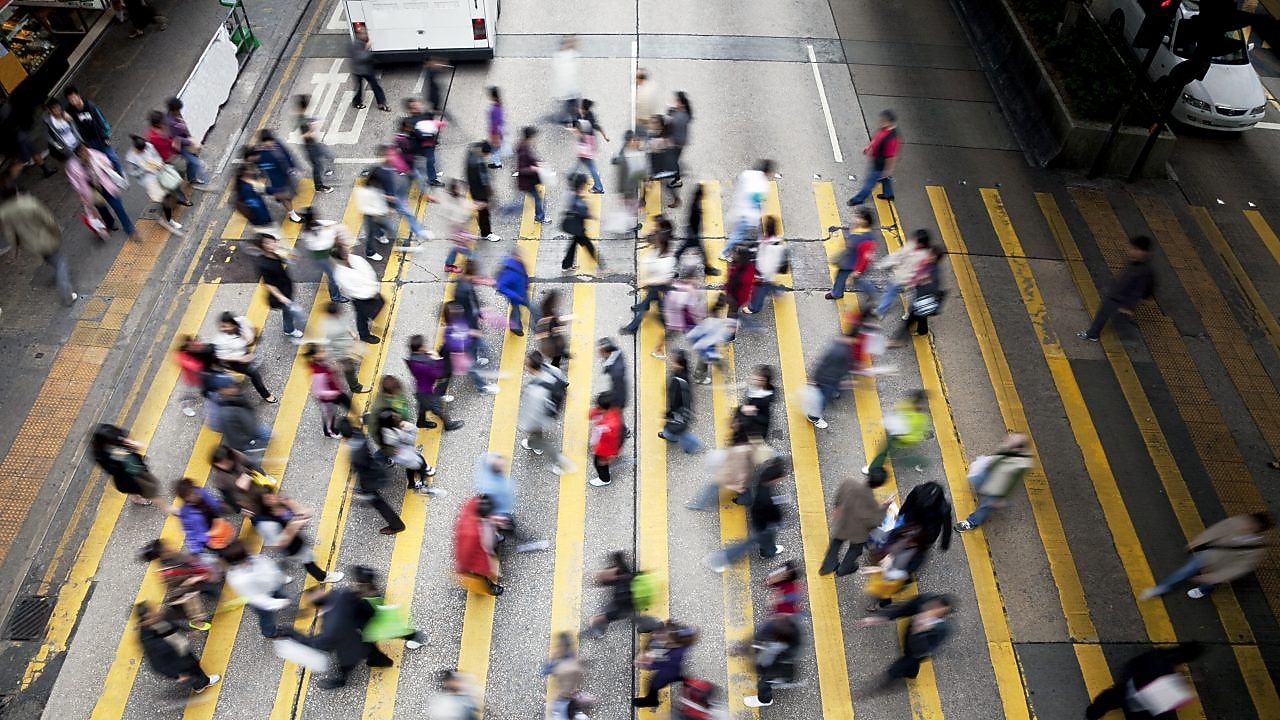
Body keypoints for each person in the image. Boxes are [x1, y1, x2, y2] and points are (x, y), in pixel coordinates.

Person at [1141, 512, 1272, 600]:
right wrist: (1199, 541)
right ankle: (1162, 587)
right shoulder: (1236, 522)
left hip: (1222, 566)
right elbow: (1215, 531)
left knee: (1210, 582)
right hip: (1209, 554)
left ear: (1257, 530)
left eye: (1250, 526)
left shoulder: (1256, 549)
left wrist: (1214, 577)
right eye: (1248, 522)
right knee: (1185, 571)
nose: (1244, 525)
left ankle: (1204, 590)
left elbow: (1238, 568)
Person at [706, 456, 788, 572]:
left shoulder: (763, 478)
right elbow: (771, 510)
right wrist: (778, 519)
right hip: (763, 524)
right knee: (749, 543)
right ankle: (719, 559)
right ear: (774, 478)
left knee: (763, 540)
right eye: (779, 479)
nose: (780, 481)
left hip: (759, 519)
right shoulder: (766, 497)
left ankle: (768, 551)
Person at [1085, 643, 1203, 719]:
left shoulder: (1158, 657)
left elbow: (1134, 664)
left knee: (1107, 700)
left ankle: (1092, 714)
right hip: (1143, 706)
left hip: (1129, 688)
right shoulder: (1168, 674)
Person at [857, 593, 953, 688]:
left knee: (898, 668)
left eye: (936, 610)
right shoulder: (923, 601)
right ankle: (910, 673)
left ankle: (891, 678)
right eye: (932, 606)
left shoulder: (941, 629)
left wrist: (919, 631)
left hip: (917, 652)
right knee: (908, 659)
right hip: (909, 640)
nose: (928, 610)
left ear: (942, 615)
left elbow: (923, 650)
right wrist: (877, 619)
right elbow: (902, 610)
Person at [0, 192, 77, 305]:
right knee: (61, 263)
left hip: (31, 244)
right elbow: (48, 220)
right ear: (16, 192)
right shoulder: (30, 202)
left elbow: (10, 234)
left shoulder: (4, 212)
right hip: (46, 237)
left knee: (51, 258)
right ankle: (67, 294)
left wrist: (15, 248)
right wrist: (57, 231)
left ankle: (61, 277)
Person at [1078, 234, 1156, 341]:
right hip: (1116, 295)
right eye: (1131, 248)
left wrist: (1128, 307)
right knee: (1106, 315)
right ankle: (1094, 333)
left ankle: (1094, 334)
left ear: (1145, 253)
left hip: (1119, 298)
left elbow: (1137, 291)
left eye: (1135, 249)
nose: (1131, 252)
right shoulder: (1134, 263)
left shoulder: (1143, 271)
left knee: (1108, 316)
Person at [256, 491, 345, 583]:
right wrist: (292, 527)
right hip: (292, 547)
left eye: (271, 494)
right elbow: (278, 544)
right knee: (308, 560)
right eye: (268, 498)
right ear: (263, 504)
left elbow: (303, 513)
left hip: (297, 538)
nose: (273, 497)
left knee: (307, 555)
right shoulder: (269, 523)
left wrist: (290, 504)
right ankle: (322, 577)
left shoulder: (281, 503)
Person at [954, 434, 1033, 532]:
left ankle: (971, 522)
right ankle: (983, 492)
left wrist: (1002, 498)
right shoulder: (1008, 447)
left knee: (986, 506)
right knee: (976, 480)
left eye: (1011, 441)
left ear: (1017, 449)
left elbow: (1011, 483)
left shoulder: (1019, 465)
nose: (1007, 440)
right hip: (990, 474)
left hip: (997, 487)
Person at [135, 602, 219, 694]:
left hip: (178, 648)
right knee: (192, 669)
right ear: (144, 621)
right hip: (175, 660)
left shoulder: (158, 619)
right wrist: (176, 675)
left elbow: (173, 624)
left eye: (152, 612)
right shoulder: (148, 641)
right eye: (150, 616)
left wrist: (189, 631)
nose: (155, 615)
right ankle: (202, 684)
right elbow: (157, 664)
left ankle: (199, 682)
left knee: (194, 664)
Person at [342, 421, 406, 535]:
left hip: (370, 479)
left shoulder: (356, 455)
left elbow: (362, 468)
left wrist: (365, 491)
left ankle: (397, 525)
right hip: (373, 468)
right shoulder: (358, 433)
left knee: (378, 503)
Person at [820, 472, 890, 576]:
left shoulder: (849, 483)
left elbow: (839, 497)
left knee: (836, 543)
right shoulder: (872, 504)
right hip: (858, 532)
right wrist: (885, 506)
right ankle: (844, 569)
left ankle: (827, 566)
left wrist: (837, 507)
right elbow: (875, 522)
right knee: (855, 550)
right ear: (878, 485)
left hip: (843, 522)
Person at [140, 539, 217, 632]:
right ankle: (196, 623)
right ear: (161, 555)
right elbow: (181, 587)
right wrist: (196, 578)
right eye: (164, 550)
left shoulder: (172, 557)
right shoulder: (167, 571)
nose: (168, 549)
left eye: (165, 547)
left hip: (191, 583)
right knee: (193, 609)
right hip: (183, 594)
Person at [66, 143, 136, 241]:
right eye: (83, 152)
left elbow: (107, 161)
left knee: (117, 206)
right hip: (91, 190)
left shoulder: (94, 154)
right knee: (101, 207)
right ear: (78, 154)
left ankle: (129, 228)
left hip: (105, 184)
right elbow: (74, 182)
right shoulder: (72, 166)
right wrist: (81, 194)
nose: (86, 152)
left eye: (85, 149)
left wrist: (105, 166)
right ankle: (110, 223)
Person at [518, 351, 572, 475]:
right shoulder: (551, 369)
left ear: (532, 367)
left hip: (541, 417)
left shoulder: (535, 391)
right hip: (552, 407)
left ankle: (553, 459)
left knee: (538, 436)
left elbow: (532, 414)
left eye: (527, 364)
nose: (525, 366)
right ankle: (535, 444)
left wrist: (523, 425)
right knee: (537, 434)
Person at [223, 540, 290, 638]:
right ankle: (269, 632)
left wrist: (279, 578)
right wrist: (279, 603)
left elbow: (268, 565)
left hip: (272, 587)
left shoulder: (251, 559)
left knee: (282, 596)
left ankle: (286, 605)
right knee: (266, 616)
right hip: (261, 598)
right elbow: (258, 599)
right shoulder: (239, 579)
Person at [125, 134, 190, 235]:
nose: (143, 152)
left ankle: (168, 212)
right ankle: (169, 220)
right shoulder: (130, 157)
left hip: (159, 174)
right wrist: (143, 170)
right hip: (149, 181)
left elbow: (156, 156)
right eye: (141, 151)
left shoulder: (148, 146)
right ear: (136, 149)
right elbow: (133, 173)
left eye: (144, 149)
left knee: (168, 194)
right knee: (165, 199)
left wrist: (158, 163)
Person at [91, 423, 165, 509]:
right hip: (127, 476)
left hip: (135, 466)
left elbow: (126, 441)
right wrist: (117, 457)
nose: (121, 439)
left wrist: (130, 444)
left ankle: (135, 497)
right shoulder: (101, 455)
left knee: (138, 487)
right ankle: (160, 505)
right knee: (148, 490)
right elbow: (111, 470)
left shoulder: (116, 436)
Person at [211, 311, 277, 402]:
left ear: (233, 324)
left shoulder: (241, 321)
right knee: (255, 375)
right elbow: (222, 356)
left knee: (254, 360)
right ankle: (266, 395)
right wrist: (240, 359)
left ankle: (251, 362)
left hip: (243, 351)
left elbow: (250, 327)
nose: (224, 329)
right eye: (222, 326)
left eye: (226, 326)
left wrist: (250, 335)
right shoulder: (220, 340)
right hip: (236, 361)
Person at [863, 390, 931, 475]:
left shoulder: (921, 419)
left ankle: (872, 469)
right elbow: (899, 407)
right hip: (895, 432)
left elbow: (916, 437)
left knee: (891, 456)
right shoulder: (909, 404)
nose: (919, 405)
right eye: (917, 402)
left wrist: (902, 437)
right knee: (886, 452)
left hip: (901, 438)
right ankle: (922, 462)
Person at [742, 614, 803, 708]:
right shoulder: (779, 628)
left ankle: (765, 700)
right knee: (765, 672)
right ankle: (781, 679)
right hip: (772, 659)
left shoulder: (784, 648)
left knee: (764, 683)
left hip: (776, 666)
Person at [620, 231, 676, 335]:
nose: (654, 244)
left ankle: (632, 327)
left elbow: (667, 279)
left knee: (656, 307)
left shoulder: (668, 259)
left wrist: (649, 281)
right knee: (656, 306)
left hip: (660, 287)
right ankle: (666, 324)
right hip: (653, 287)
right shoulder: (655, 252)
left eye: (656, 242)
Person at [632, 621, 698, 708]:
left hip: (667, 672)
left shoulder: (673, 655)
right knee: (678, 675)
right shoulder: (674, 636)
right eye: (661, 632)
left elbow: (659, 664)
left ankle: (651, 701)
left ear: (674, 644)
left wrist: (645, 663)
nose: (656, 635)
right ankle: (686, 680)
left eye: (663, 637)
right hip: (673, 668)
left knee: (654, 685)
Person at [890, 245, 946, 346]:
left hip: (921, 300)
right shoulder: (929, 265)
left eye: (931, 254)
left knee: (909, 320)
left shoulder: (933, 272)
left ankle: (899, 340)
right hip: (922, 300)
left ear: (934, 258)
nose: (929, 255)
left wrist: (923, 281)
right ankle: (922, 331)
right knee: (922, 317)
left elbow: (932, 288)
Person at [406, 335, 464, 430]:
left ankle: (421, 422)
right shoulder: (423, 363)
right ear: (420, 348)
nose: (426, 346)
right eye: (423, 345)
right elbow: (438, 374)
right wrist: (438, 359)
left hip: (419, 388)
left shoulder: (413, 358)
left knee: (422, 406)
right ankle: (448, 425)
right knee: (438, 407)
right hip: (427, 391)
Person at [256, 233, 306, 340]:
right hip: (281, 292)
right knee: (287, 312)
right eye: (268, 243)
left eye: (273, 241)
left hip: (285, 286)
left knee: (288, 310)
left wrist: (291, 259)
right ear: (263, 246)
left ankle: (289, 327)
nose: (272, 244)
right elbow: (269, 284)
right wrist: (281, 297)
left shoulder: (274, 254)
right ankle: (289, 330)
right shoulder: (264, 264)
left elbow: (283, 261)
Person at [331, 243, 385, 344]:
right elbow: (353, 290)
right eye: (344, 252)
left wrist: (374, 288)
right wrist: (370, 293)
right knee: (361, 316)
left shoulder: (355, 259)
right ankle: (364, 335)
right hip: (360, 298)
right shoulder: (340, 274)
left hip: (371, 291)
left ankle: (369, 322)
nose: (348, 251)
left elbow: (369, 271)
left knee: (377, 306)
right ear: (341, 257)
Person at [873, 228, 930, 318]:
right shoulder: (911, 246)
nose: (916, 243)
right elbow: (898, 256)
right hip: (898, 277)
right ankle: (880, 311)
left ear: (923, 243)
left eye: (918, 241)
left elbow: (921, 271)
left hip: (910, 282)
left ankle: (910, 314)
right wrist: (884, 263)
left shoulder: (925, 256)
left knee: (911, 300)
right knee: (889, 293)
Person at [443, 303, 499, 395]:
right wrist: (467, 334)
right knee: (473, 370)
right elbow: (453, 345)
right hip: (462, 355)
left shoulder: (459, 319)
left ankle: (477, 361)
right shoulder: (448, 331)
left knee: (482, 349)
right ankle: (482, 388)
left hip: (470, 344)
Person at [847, 109, 900, 206]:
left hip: (880, 164)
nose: (880, 122)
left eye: (883, 120)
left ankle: (858, 199)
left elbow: (890, 157)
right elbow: (876, 138)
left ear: (889, 122)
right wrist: (869, 146)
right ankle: (888, 194)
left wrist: (888, 170)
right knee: (885, 178)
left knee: (869, 182)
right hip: (877, 159)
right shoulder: (883, 129)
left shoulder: (892, 138)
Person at [454, 495, 504, 595]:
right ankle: (489, 586)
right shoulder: (471, 533)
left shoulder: (473, 505)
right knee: (482, 574)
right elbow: (465, 553)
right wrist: (463, 568)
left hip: (485, 539)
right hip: (479, 556)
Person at [63, 86, 120, 173]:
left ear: (78, 96)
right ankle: (110, 178)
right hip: (89, 142)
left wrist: (106, 136)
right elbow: (63, 114)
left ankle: (121, 175)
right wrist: (65, 114)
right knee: (100, 162)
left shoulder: (90, 106)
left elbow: (102, 120)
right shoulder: (70, 110)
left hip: (100, 137)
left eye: (74, 98)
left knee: (112, 158)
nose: (73, 101)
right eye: (70, 100)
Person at [827, 206, 879, 301]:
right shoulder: (857, 228)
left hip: (854, 265)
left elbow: (865, 257)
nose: (855, 218)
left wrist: (858, 271)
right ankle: (837, 293)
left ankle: (871, 291)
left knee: (857, 281)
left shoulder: (866, 239)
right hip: (848, 261)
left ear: (865, 221)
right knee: (841, 278)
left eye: (859, 217)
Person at [173, 477, 231, 561]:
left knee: (227, 541)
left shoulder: (200, 491)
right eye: (189, 495)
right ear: (185, 499)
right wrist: (195, 550)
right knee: (222, 551)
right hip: (209, 536)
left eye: (193, 490)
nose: (194, 494)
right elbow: (190, 532)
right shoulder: (186, 514)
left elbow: (212, 502)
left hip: (216, 523)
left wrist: (220, 506)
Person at [582, 551, 638, 638]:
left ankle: (599, 632)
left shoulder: (621, 594)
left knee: (608, 614)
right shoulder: (623, 571)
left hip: (627, 604)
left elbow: (613, 614)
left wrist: (597, 619)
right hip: (630, 597)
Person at [250, 130, 302, 223]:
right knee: (285, 197)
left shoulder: (277, 144)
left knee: (290, 193)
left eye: (271, 140)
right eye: (267, 142)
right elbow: (254, 163)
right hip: (276, 179)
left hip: (286, 174)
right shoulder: (259, 154)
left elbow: (287, 153)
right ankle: (292, 214)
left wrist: (292, 167)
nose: (271, 143)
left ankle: (282, 200)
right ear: (262, 142)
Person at [805, 333, 855, 429]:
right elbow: (824, 365)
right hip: (828, 380)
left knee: (824, 395)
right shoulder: (839, 351)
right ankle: (813, 417)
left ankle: (833, 392)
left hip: (831, 379)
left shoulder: (839, 347)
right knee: (822, 399)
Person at [658, 350, 703, 454]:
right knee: (675, 430)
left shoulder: (680, 380)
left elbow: (676, 402)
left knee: (680, 432)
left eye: (674, 361)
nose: (671, 362)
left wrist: (668, 413)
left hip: (678, 413)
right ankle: (670, 436)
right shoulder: (681, 374)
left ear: (680, 365)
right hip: (679, 411)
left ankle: (694, 446)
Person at [725, 159, 773, 256]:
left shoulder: (747, 174)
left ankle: (756, 248)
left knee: (744, 233)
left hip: (740, 208)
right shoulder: (763, 182)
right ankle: (725, 253)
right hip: (747, 214)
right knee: (739, 234)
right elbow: (757, 200)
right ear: (767, 171)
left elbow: (737, 180)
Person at [213, 382, 272, 459]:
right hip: (245, 439)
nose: (233, 387)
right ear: (221, 391)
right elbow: (233, 436)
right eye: (228, 386)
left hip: (252, 428)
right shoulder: (225, 412)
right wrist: (247, 439)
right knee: (252, 454)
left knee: (267, 433)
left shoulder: (235, 397)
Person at [305, 344, 351, 437]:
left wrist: (335, 369)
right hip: (328, 400)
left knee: (348, 402)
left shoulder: (323, 361)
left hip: (336, 391)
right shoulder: (316, 373)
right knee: (329, 416)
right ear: (315, 356)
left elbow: (330, 369)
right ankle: (330, 432)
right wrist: (334, 393)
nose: (324, 353)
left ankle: (358, 416)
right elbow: (318, 393)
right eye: (321, 352)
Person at [320, 301, 366, 393]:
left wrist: (351, 333)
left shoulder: (337, 318)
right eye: (337, 312)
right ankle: (355, 387)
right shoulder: (330, 329)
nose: (340, 313)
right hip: (342, 352)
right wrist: (336, 358)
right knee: (349, 370)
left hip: (348, 346)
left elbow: (344, 324)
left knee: (353, 362)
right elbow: (329, 345)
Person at [744, 216, 787, 315]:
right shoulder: (771, 241)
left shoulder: (773, 246)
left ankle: (754, 307)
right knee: (767, 285)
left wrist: (760, 277)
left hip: (763, 274)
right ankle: (777, 290)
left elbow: (768, 266)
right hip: (764, 273)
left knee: (760, 290)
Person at [294, 94, 335, 194]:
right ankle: (319, 186)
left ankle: (326, 170)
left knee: (327, 155)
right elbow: (304, 136)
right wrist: (313, 128)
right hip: (310, 147)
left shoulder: (302, 117)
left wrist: (311, 122)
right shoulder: (301, 120)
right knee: (317, 166)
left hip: (313, 144)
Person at [658, 269, 702, 360]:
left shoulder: (676, 285)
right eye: (695, 279)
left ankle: (659, 349)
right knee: (671, 335)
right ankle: (658, 349)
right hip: (678, 319)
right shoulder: (688, 289)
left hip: (676, 318)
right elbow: (690, 305)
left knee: (672, 334)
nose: (697, 281)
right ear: (690, 278)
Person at [165, 98, 209, 186]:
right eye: (178, 110)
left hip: (186, 140)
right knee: (195, 162)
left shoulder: (176, 115)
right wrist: (190, 141)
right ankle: (192, 179)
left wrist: (189, 136)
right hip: (181, 145)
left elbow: (183, 125)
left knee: (193, 159)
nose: (179, 112)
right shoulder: (170, 123)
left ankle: (191, 176)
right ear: (173, 110)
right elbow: (176, 139)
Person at [560, 174, 599, 271]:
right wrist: (592, 216)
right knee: (589, 247)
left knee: (573, 245)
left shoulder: (573, 193)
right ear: (582, 185)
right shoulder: (577, 199)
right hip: (577, 228)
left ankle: (566, 265)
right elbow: (583, 213)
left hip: (576, 227)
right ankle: (602, 267)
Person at [613, 130, 648, 233]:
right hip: (629, 187)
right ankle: (630, 226)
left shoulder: (624, 151)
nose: (638, 142)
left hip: (627, 186)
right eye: (635, 140)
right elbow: (638, 172)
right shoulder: (629, 155)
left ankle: (628, 224)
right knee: (630, 207)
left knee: (629, 206)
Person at [496, 245, 536, 336]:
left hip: (522, 293)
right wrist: (514, 295)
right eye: (519, 255)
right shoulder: (508, 272)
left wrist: (526, 284)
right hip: (515, 297)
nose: (521, 257)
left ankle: (539, 323)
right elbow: (501, 287)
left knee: (533, 308)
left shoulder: (520, 263)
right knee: (516, 312)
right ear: (514, 256)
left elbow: (524, 274)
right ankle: (515, 328)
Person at [349, 25, 390, 111]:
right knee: (359, 88)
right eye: (362, 33)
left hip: (367, 69)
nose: (365, 35)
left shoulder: (363, 42)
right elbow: (359, 58)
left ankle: (381, 103)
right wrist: (367, 48)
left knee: (375, 86)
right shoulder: (355, 45)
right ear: (358, 35)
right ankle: (356, 102)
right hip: (359, 71)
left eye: (365, 33)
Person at [466, 141, 499, 243]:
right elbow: (485, 181)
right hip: (480, 192)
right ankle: (486, 233)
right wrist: (491, 193)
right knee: (484, 212)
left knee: (481, 211)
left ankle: (485, 231)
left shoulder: (470, 154)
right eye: (486, 154)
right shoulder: (478, 163)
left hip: (473, 189)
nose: (486, 156)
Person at [572, 100, 609, 194]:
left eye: (581, 108)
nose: (580, 109)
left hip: (587, 145)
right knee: (585, 163)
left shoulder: (588, 118)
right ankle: (571, 175)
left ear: (584, 109)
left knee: (590, 165)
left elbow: (583, 133)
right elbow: (597, 127)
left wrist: (574, 131)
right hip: (587, 144)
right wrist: (605, 136)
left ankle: (598, 186)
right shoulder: (587, 116)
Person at [588, 391, 624, 487]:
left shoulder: (610, 426)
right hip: (601, 444)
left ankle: (604, 479)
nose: (597, 409)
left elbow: (612, 442)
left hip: (604, 450)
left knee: (599, 464)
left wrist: (608, 456)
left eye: (600, 408)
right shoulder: (612, 411)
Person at [515, 126, 548, 224]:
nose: (536, 139)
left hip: (529, 180)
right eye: (534, 137)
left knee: (536, 198)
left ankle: (540, 216)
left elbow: (530, 160)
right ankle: (540, 217)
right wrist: (534, 168)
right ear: (530, 137)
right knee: (537, 199)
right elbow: (521, 169)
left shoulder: (525, 146)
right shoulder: (523, 149)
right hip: (526, 181)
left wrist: (538, 163)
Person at [735, 365, 776, 440]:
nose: (755, 379)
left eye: (759, 379)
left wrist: (748, 411)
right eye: (756, 376)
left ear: (765, 381)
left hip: (755, 430)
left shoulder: (764, 400)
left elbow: (763, 419)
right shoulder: (756, 389)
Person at [233, 163, 274, 232]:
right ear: (246, 173)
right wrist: (265, 223)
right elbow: (256, 207)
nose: (256, 171)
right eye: (252, 170)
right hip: (263, 224)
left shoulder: (246, 185)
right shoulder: (247, 189)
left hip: (261, 223)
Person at [536, 290, 571, 368]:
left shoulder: (546, 311)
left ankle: (562, 354)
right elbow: (554, 329)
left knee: (559, 353)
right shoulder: (548, 317)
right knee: (556, 358)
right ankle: (555, 366)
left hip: (551, 344)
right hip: (552, 346)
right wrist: (563, 323)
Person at [664, 92, 692, 188]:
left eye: (677, 101)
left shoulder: (681, 117)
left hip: (677, 143)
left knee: (673, 161)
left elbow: (670, 125)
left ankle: (677, 180)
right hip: (678, 142)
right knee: (673, 160)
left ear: (682, 103)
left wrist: (669, 111)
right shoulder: (683, 112)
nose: (675, 102)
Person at [552, 37, 581, 124]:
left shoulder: (573, 54)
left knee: (572, 102)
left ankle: (570, 118)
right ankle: (569, 119)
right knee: (570, 102)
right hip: (567, 87)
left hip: (571, 87)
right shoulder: (561, 55)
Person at [723, 244, 757, 317]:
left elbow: (732, 282)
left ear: (740, 256)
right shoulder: (749, 266)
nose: (732, 254)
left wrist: (729, 266)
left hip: (736, 298)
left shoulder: (741, 272)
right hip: (738, 296)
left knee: (732, 313)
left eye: (734, 252)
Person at [486, 86, 505, 168]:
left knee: (495, 148)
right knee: (496, 147)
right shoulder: (499, 105)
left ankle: (497, 163)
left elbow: (494, 123)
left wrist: (494, 135)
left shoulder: (493, 109)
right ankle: (496, 162)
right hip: (499, 130)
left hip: (495, 132)